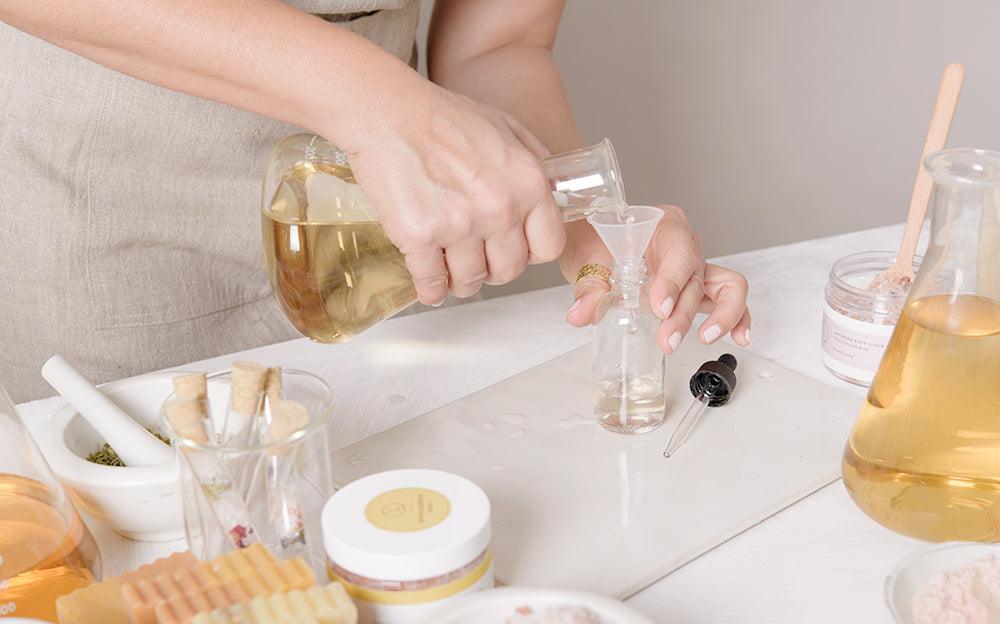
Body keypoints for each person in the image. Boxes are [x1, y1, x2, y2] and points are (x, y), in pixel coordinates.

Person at [0, 0, 750, 402]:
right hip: (110, 204)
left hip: (380, 240)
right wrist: (376, 103)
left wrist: (586, 228)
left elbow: (497, 43)